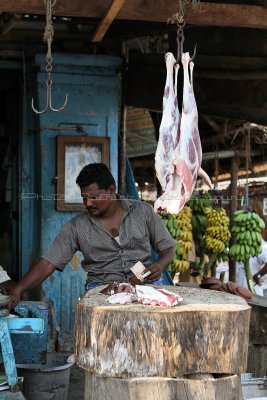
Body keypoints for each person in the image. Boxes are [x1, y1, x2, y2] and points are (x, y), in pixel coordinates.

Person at [7, 163, 176, 309]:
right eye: (84, 198)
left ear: (111, 190)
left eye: (94, 197)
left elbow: (168, 247)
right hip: (101, 290)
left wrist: (160, 265)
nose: (88, 203)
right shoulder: (77, 226)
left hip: (146, 287)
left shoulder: (143, 212)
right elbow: (47, 264)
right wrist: (18, 289)